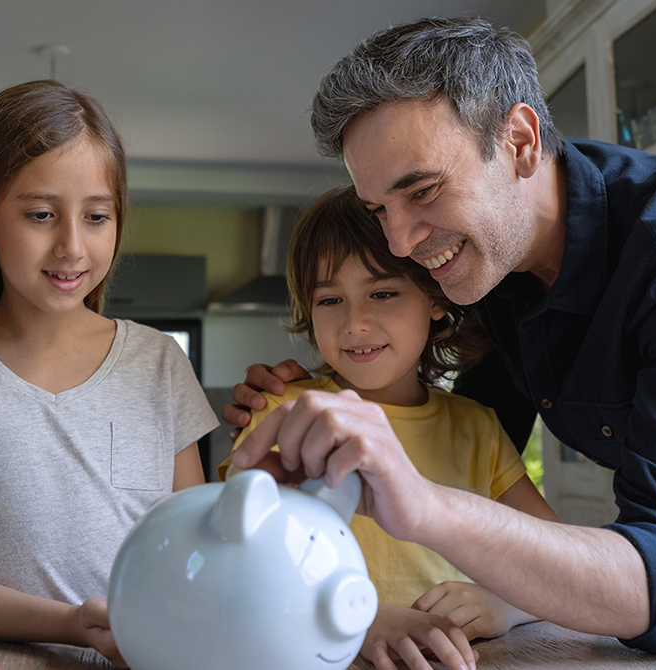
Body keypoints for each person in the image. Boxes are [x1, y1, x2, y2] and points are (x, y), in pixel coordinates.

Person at [227, 16, 656, 656]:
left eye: (424, 191)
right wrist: (322, 398)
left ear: (520, 141)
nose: (399, 241)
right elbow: (468, 434)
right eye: (379, 209)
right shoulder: (486, 259)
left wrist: (433, 512)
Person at [0, 81, 218, 667]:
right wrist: (78, 625)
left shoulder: (159, 363)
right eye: (42, 214)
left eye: (97, 216)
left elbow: (193, 545)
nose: (73, 246)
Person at [219, 186, 557, 670]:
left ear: (435, 299)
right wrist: (349, 619)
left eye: (382, 293)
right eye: (330, 300)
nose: (355, 323)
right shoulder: (286, 409)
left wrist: (505, 606)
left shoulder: (476, 427)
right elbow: (236, 559)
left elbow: (556, 560)